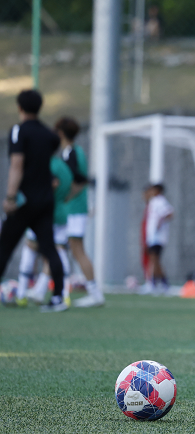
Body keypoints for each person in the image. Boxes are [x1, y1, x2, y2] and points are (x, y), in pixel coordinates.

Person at [0, 89, 67, 311]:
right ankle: (58, 298)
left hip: (24, 200)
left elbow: (17, 165)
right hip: (45, 200)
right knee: (49, 248)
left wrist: (10, 197)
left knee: (4, 247)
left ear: (19, 107)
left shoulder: (19, 131)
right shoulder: (50, 135)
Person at [54, 117, 102, 307]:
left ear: (60, 133)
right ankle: (46, 288)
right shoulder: (78, 151)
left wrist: (66, 196)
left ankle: (94, 293)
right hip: (76, 208)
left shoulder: (70, 153)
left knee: (76, 250)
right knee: (63, 247)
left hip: (74, 208)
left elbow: (78, 178)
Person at [22, 153, 73, 306]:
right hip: (61, 212)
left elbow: (53, 182)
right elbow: (71, 187)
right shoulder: (64, 166)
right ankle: (59, 293)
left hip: (43, 212)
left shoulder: (45, 164)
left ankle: (21, 293)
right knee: (57, 251)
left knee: (32, 247)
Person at [139, 183, 174, 294]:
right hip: (153, 236)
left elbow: (170, 213)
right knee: (155, 260)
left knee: (154, 260)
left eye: (153, 190)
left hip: (158, 237)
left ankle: (153, 284)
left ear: (158, 191)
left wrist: (160, 221)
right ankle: (162, 283)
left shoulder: (160, 201)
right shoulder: (153, 202)